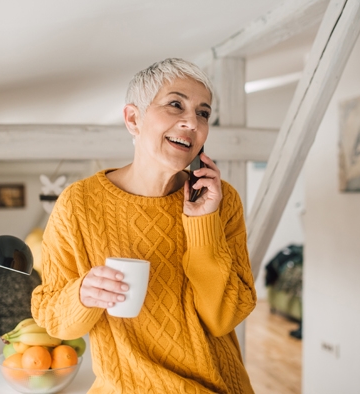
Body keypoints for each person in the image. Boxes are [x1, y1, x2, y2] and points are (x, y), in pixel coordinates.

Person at [31, 58, 257, 393]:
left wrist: (203, 223)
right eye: (175, 104)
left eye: (203, 112)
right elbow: (50, 315)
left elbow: (224, 317)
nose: (192, 122)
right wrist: (82, 295)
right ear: (133, 118)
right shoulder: (78, 204)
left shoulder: (221, 201)